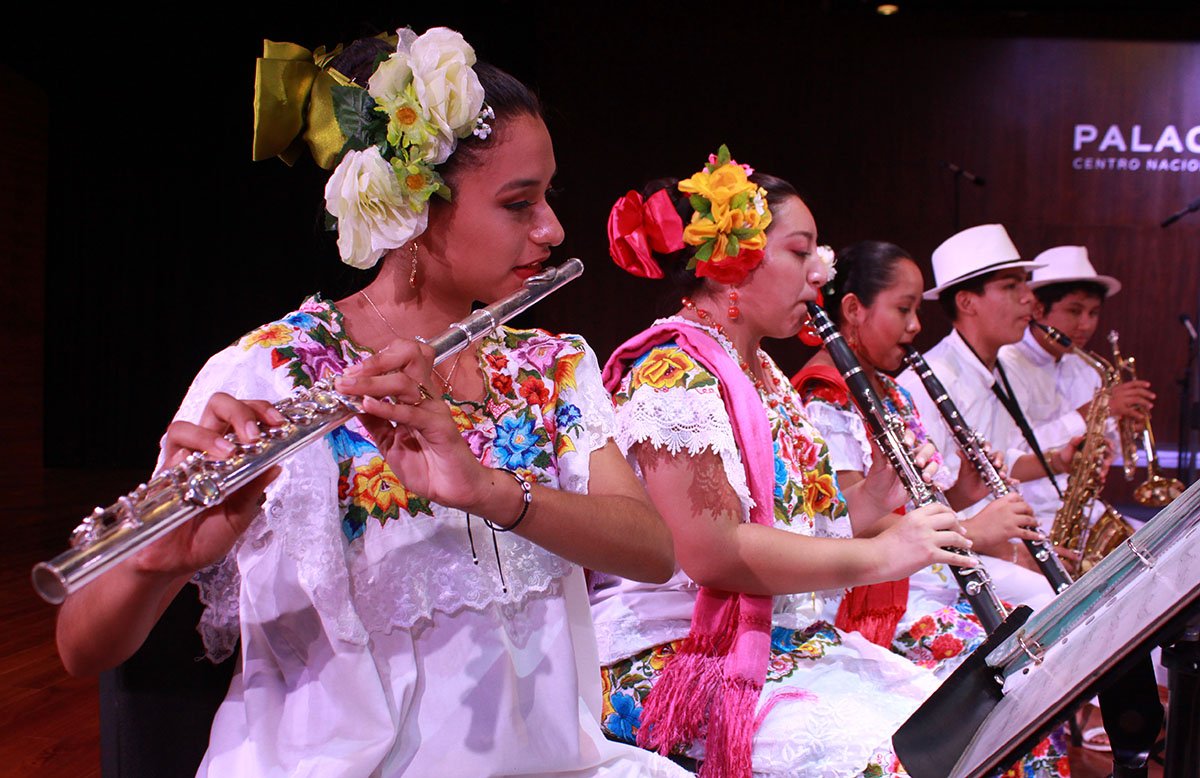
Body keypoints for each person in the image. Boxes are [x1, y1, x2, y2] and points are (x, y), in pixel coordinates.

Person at [55, 27, 688, 777]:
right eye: (520, 203)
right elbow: (80, 646)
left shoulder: (551, 363)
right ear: (414, 203)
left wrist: (491, 489)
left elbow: (652, 550)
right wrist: (157, 565)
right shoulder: (265, 372)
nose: (553, 228)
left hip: (548, 760)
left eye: (549, 197)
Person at [592, 148, 975, 777]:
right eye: (801, 252)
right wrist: (883, 553)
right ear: (731, 263)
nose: (819, 272)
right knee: (900, 762)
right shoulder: (671, 375)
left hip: (782, 638)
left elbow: (799, 528)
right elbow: (713, 554)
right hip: (678, 652)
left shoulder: (764, 373)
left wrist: (878, 497)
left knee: (975, 730)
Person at [792, 240, 1053, 666]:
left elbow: (912, 503)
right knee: (1006, 655)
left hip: (919, 570)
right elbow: (847, 522)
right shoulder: (826, 395)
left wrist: (966, 492)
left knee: (1042, 608)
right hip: (867, 584)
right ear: (855, 309)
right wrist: (974, 531)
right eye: (903, 309)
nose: (915, 326)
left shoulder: (892, 390)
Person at [999, 245, 1155, 529]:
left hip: (1078, 506)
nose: (1086, 325)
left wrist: (1124, 430)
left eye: (1094, 313)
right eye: (1074, 311)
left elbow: (1104, 453)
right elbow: (1013, 451)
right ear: (1037, 309)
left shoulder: (1088, 369)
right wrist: (1093, 410)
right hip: (1022, 511)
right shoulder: (1006, 363)